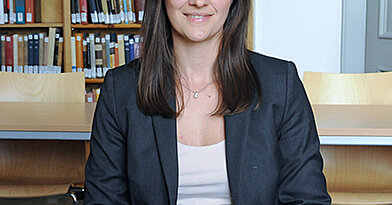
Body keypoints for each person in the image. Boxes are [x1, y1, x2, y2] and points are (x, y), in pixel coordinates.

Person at [84, 0, 331, 204]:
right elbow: (104, 200)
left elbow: (307, 198)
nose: (199, 2)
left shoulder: (281, 84)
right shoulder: (121, 89)